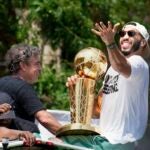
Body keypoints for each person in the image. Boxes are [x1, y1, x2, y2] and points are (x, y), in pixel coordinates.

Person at [64, 21, 149, 150]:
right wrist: (80, 90)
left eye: (131, 34)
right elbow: (96, 112)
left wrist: (110, 42)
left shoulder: (139, 64)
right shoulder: (111, 70)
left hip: (123, 142)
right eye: (122, 33)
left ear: (143, 42)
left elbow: (122, 65)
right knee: (60, 141)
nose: (125, 36)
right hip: (104, 139)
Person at [0, 43, 62, 136]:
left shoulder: (2, 81)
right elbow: (45, 119)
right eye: (37, 64)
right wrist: (70, 136)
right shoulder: (22, 87)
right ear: (23, 66)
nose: (40, 68)